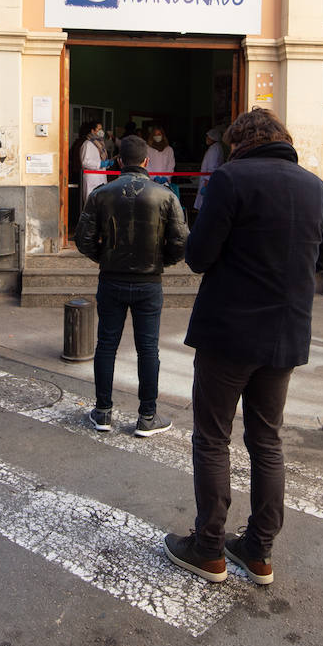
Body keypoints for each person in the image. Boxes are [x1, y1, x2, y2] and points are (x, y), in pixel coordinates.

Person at [163, 108, 323, 587]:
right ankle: (259, 551)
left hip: (229, 334)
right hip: (286, 333)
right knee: (266, 441)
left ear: (239, 142)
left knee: (213, 438)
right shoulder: (316, 187)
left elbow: (198, 257)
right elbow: (318, 259)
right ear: (284, 138)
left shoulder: (230, 179)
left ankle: (209, 547)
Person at [75, 135, 188, 437]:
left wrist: (105, 258)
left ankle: (103, 412)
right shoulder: (165, 195)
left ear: (120, 161)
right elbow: (180, 242)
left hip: (111, 279)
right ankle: (147, 415)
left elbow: (83, 239)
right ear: (147, 161)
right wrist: (160, 262)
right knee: (148, 349)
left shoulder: (101, 193)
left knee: (106, 345)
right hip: (149, 282)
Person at [194, 127, 225, 212]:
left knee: (205, 204)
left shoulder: (214, 150)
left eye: (208, 137)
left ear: (213, 137)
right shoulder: (216, 147)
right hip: (210, 179)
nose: (206, 139)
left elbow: (212, 167)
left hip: (208, 181)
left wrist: (207, 181)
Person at [79, 119, 109, 207]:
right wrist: (100, 164)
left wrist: (106, 164)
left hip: (101, 177)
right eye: (99, 129)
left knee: (101, 204)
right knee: (90, 204)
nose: (101, 131)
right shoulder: (87, 144)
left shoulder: (100, 144)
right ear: (92, 131)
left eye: (101, 129)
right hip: (92, 179)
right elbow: (85, 162)